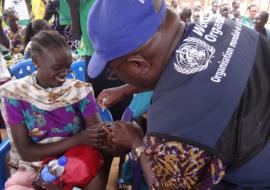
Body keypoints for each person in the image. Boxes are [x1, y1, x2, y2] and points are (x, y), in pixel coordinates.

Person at [87, 0, 270, 189]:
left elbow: (162, 186)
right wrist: (126, 88)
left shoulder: (171, 131)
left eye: (114, 72)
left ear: (138, 64)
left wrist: (137, 143)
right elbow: (193, 70)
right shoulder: (227, 28)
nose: (115, 77)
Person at [0, 30, 112, 190]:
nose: (64, 73)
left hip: (77, 161)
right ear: (35, 61)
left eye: (68, 67)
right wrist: (78, 139)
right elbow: (26, 152)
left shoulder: (79, 91)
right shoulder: (17, 95)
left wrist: (99, 136)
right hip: (35, 167)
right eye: (57, 67)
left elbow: (96, 134)